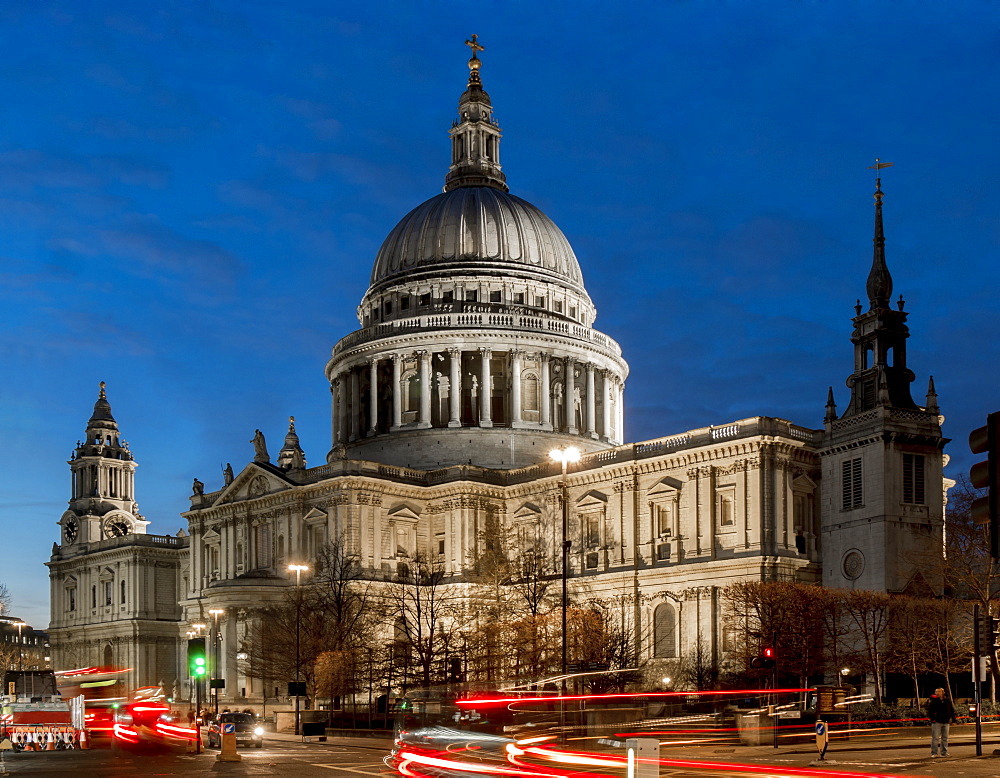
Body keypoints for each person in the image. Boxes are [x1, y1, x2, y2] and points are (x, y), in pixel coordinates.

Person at [926, 687, 957, 757]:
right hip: (937, 722)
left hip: (946, 722)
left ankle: (944, 752)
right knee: (935, 738)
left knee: (945, 738)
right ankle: (934, 753)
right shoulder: (933, 701)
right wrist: (933, 719)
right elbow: (929, 711)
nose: (937, 693)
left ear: (943, 693)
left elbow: (951, 711)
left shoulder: (947, 701)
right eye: (936, 692)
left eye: (939, 692)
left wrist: (953, 720)